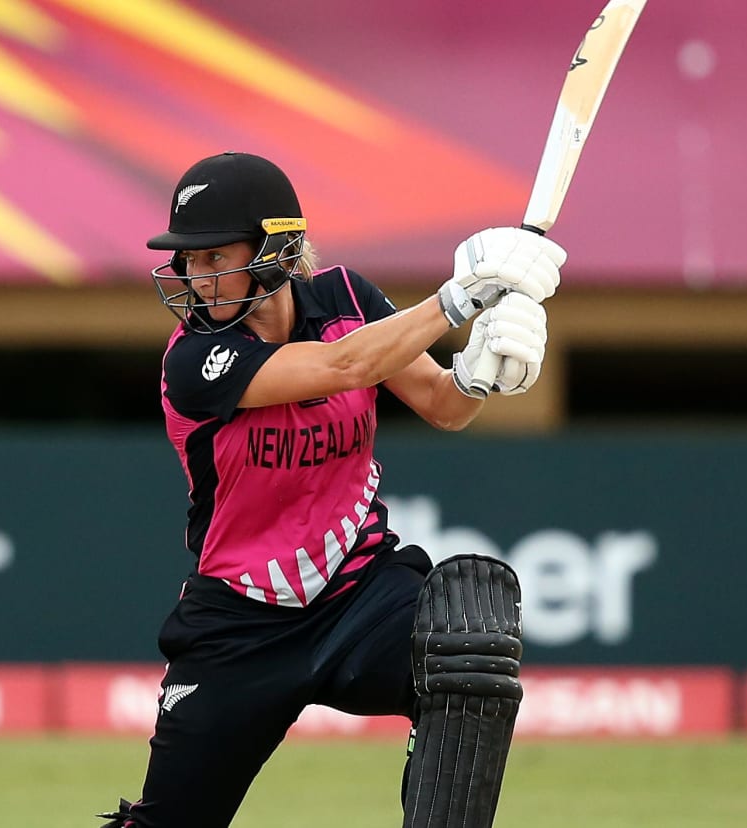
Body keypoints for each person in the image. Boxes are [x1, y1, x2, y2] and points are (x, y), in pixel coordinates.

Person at [97, 151, 563, 828]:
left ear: (276, 250)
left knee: (468, 650)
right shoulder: (194, 359)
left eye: (216, 256)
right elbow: (348, 365)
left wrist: (483, 369)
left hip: (359, 594)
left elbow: (445, 406)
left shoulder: (347, 298)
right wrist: (461, 297)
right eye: (189, 261)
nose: (198, 278)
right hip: (241, 621)